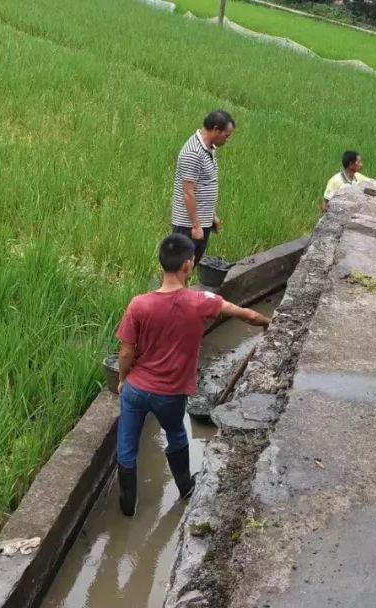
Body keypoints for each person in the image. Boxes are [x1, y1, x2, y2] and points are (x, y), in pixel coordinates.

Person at [112, 233, 270, 517]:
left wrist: (123, 379)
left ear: (162, 264)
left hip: (136, 389)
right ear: (189, 265)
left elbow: (125, 352)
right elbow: (244, 314)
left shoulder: (139, 304)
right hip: (170, 393)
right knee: (175, 434)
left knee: (127, 445)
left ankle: (127, 507)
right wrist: (268, 322)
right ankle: (185, 487)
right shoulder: (201, 301)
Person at [172, 110, 236, 267]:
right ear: (215, 129)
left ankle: (183, 292)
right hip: (188, 225)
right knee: (180, 266)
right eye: (226, 135)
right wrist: (196, 225)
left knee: (191, 265)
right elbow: (188, 193)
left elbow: (205, 184)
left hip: (202, 221)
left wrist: (211, 215)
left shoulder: (209, 149)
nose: (227, 140)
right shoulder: (193, 152)